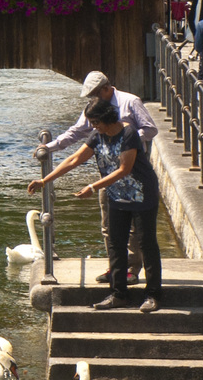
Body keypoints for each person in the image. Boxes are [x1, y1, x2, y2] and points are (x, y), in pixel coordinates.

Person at [29, 99, 162, 313]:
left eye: (96, 121)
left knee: (146, 243)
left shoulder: (129, 134)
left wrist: (92, 186)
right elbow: (74, 160)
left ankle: (153, 294)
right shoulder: (97, 136)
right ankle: (119, 294)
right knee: (116, 244)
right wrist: (45, 181)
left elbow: (124, 169)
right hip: (116, 196)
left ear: (108, 117)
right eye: (91, 122)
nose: (93, 126)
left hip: (142, 195)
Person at [38, 71, 159, 279]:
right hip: (108, 175)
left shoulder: (130, 102)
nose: (95, 126)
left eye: (95, 94)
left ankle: (132, 270)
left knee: (138, 232)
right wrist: (49, 150)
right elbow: (75, 141)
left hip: (134, 175)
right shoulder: (96, 126)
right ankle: (116, 268)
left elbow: (150, 129)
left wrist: (124, 139)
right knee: (108, 226)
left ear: (105, 88)